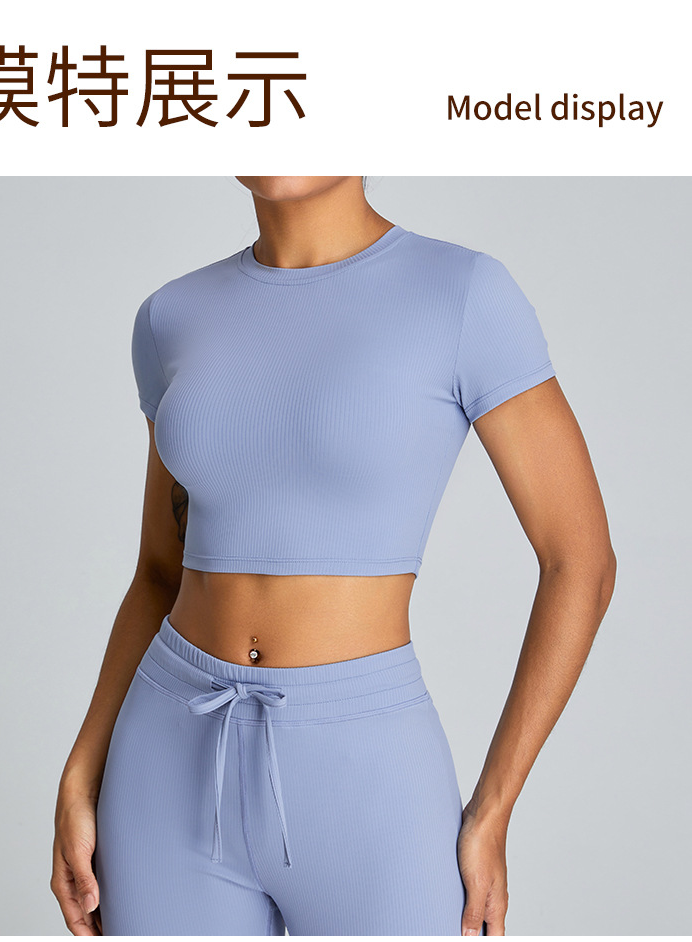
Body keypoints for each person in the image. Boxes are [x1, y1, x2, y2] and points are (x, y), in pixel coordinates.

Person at [51, 176, 616, 937]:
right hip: (167, 752)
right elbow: (159, 572)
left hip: (366, 764)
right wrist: (81, 770)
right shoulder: (171, 317)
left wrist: (493, 808)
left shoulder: (461, 295)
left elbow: (580, 561)